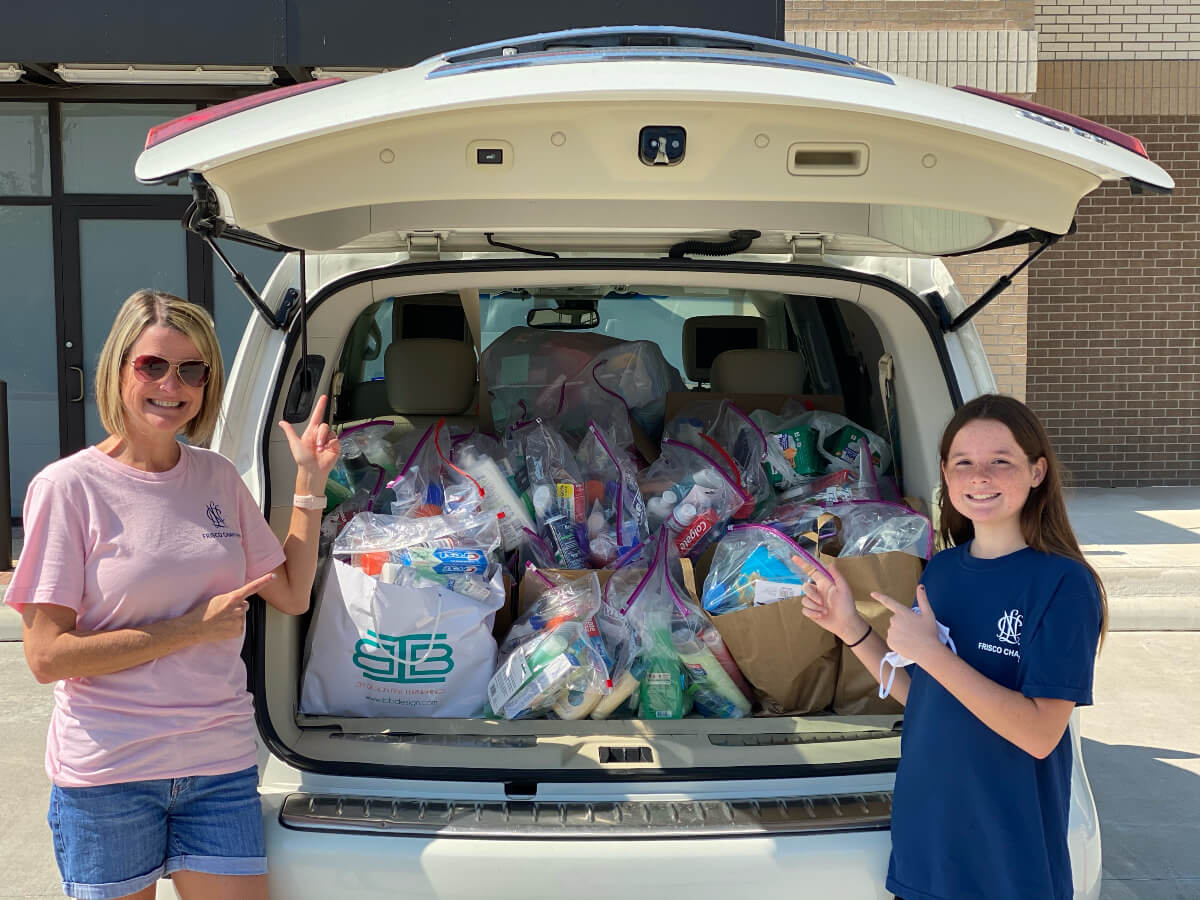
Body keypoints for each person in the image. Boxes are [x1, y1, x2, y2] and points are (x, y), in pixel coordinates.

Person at [5, 290, 340, 900]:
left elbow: (290, 592)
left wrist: (309, 486)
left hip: (217, 769)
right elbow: (46, 656)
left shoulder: (215, 476)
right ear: (118, 368)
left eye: (191, 369)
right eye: (152, 365)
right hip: (109, 775)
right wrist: (191, 628)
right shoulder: (68, 488)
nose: (172, 384)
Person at [801, 393, 1106, 900]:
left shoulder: (1064, 584)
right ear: (945, 472)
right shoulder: (941, 571)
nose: (979, 476)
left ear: (1036, 472)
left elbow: (1039, 735)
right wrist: (851, 628)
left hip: (1005, 865)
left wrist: (934, 655)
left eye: (1000, 462)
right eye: (963, 463)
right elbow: (926, 696)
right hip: (926, 854)